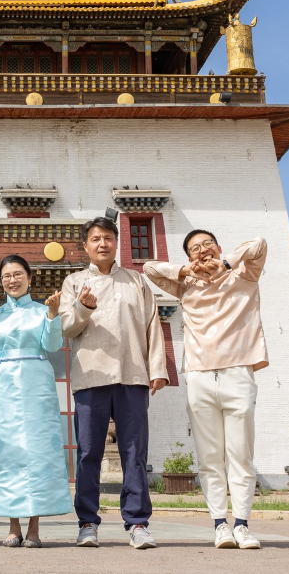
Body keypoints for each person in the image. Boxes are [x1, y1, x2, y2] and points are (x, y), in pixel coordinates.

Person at [143, 231, 268, 551]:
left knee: (240, 454)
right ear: (189, 257)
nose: (202, 250)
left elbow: (258, 245)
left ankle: (242, 525)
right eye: (194, 248)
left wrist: (225, 264)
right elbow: (149, 269)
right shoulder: (185, 285)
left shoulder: (244, 275)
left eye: (207, 244)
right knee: (210, 457)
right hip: (199, 376)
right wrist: (187, 271)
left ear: (219, 247)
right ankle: (220, 525)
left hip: (238, 372)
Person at [59, 217, 168, 550]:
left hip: (132, 374)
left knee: (134, 451)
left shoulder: (136, 281)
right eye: (95, 239)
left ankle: (137, 523)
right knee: (88, 452)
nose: (102, 244)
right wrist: (83, 307)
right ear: (86, 246)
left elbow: (152, 325)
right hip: (90, 375)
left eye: (108, 237)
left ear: (117, 242)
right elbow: (67, 327)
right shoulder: (74, 282)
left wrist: (157, 368)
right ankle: (87, 522)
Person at [0, 254, 73, 548]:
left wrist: (53, 314)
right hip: (4, 387)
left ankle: (34, 526)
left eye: (18, 274)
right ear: (1, 281)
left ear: (29, 278)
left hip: (37, 386)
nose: (12, 280)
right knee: (9, 454)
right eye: (6, 276)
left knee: (38, 453)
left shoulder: (42, 311)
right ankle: (13, 526)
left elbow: (52, 345)